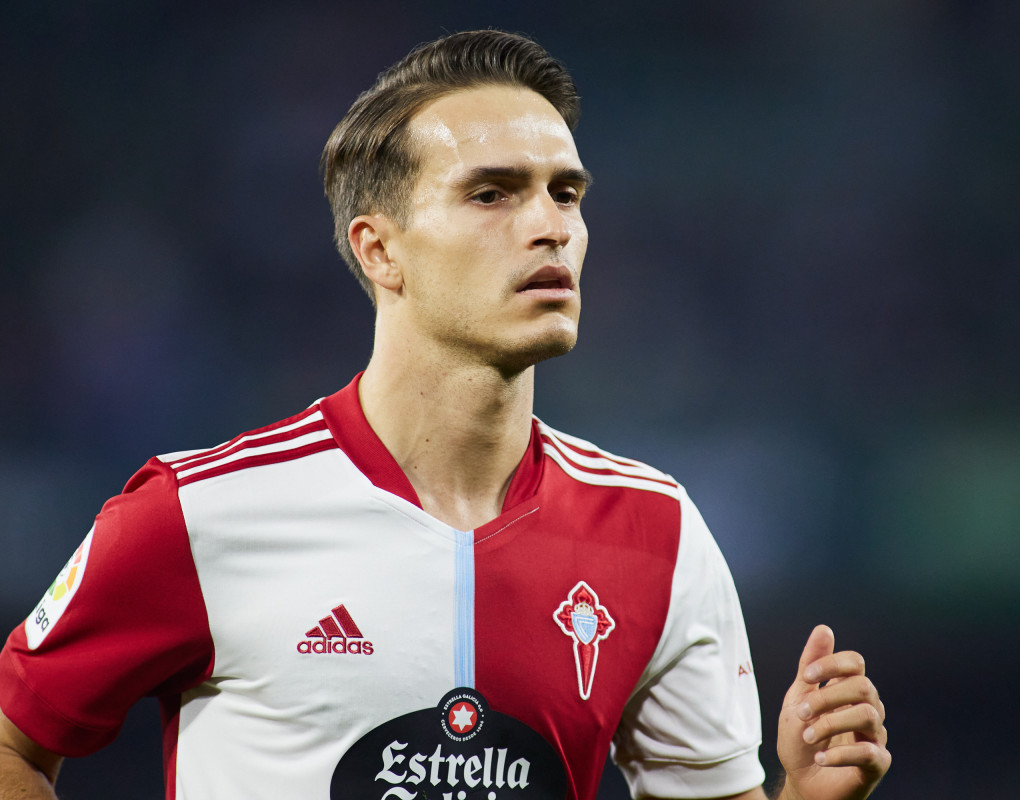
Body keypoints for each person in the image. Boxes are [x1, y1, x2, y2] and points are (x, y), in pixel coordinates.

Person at [0, 30, 889, 800]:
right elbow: (13, 742)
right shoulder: (196, 514)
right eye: (493, 193)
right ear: (379, 248)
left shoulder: (658, 532)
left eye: (566, 193)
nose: (550, 226)